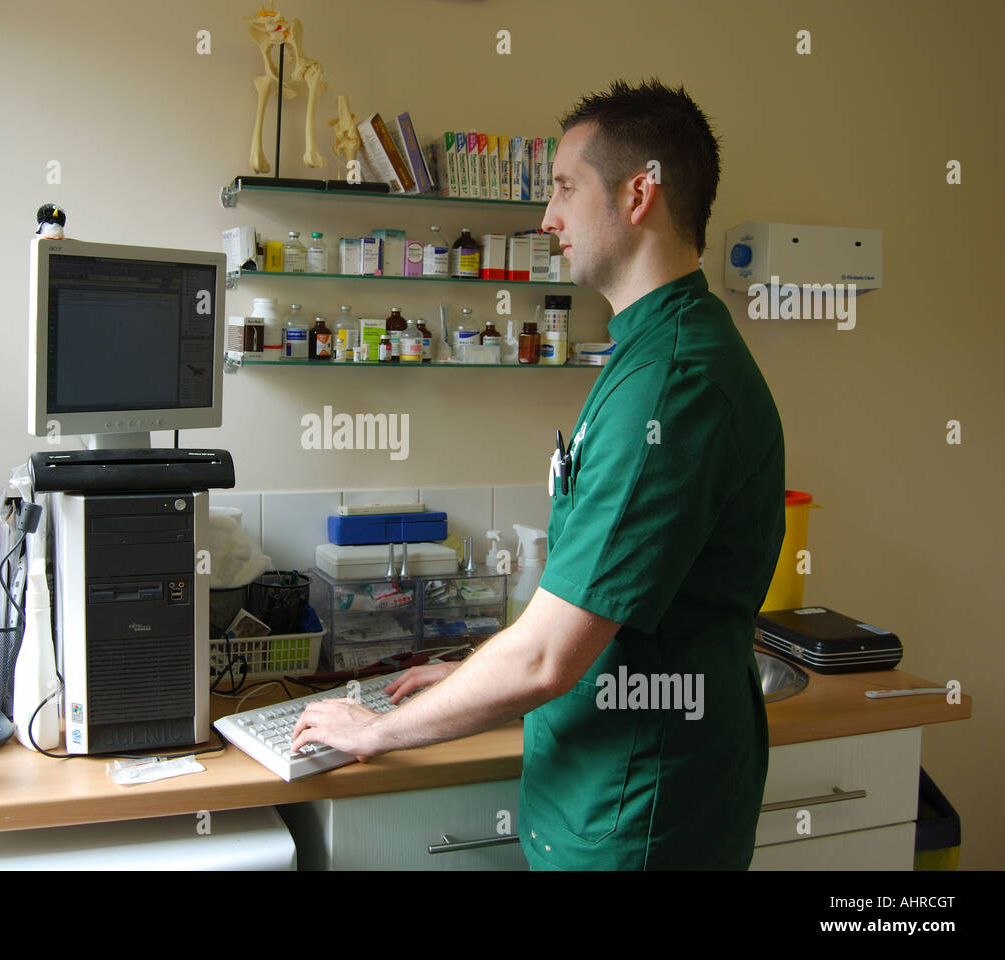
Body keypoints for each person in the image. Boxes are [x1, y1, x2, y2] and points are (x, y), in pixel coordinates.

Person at [290, 78, 786, 870]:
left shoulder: (674, 382)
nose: (547, 217)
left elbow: (550, 655)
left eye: (563, 188)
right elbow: (587, 603)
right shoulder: (650, 353)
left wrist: (374, 730)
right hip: (598, 787)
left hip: (637, 815)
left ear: (638, 194)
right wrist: (466, 674)